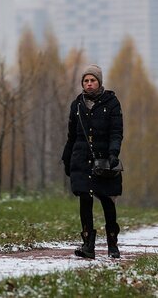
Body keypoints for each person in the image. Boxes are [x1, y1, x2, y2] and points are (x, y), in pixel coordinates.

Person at [61, 64, 123, 259]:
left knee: (107, 199)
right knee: (85, 199)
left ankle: (112, 242)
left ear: (99, 82)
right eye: (86, 81)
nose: (89, 84)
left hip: (104, 159)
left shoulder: (112, 103)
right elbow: (72, 135)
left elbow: (116, 132)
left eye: (93, 80)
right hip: (81, 159)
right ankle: (88, 244)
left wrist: (113, 153)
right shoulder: (77, 105)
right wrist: (67, 157)